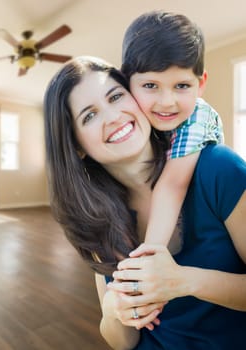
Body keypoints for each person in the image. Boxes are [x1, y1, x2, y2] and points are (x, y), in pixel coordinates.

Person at [43, 56, 246, 349]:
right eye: (89, 115)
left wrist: (185, 281)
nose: (113, 117)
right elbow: (122, 342)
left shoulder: (218, 169)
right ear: (76, 146)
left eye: (116, 97)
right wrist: (115, 312)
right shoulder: (95, 218)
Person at [121, 11, 224, 250]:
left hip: (206, 218)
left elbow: (173, 185)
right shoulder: (134, 117)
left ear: (201, 84)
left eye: (181, 85)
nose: (167, 101)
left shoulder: (198, 116)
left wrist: (151, 253)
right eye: (150, 85)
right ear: (127, 82)